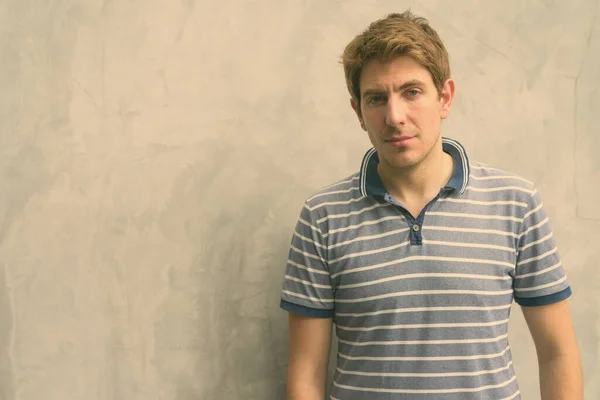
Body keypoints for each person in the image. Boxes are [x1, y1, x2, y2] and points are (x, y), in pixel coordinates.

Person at [279, 10, 583, 400]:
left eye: (412, 92)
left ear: (445, 97)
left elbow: (558, 353)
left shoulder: (515, 203)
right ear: (358, 112)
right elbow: (306, 371)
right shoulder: (322, 217)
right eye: (376, 98)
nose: (394, 116)